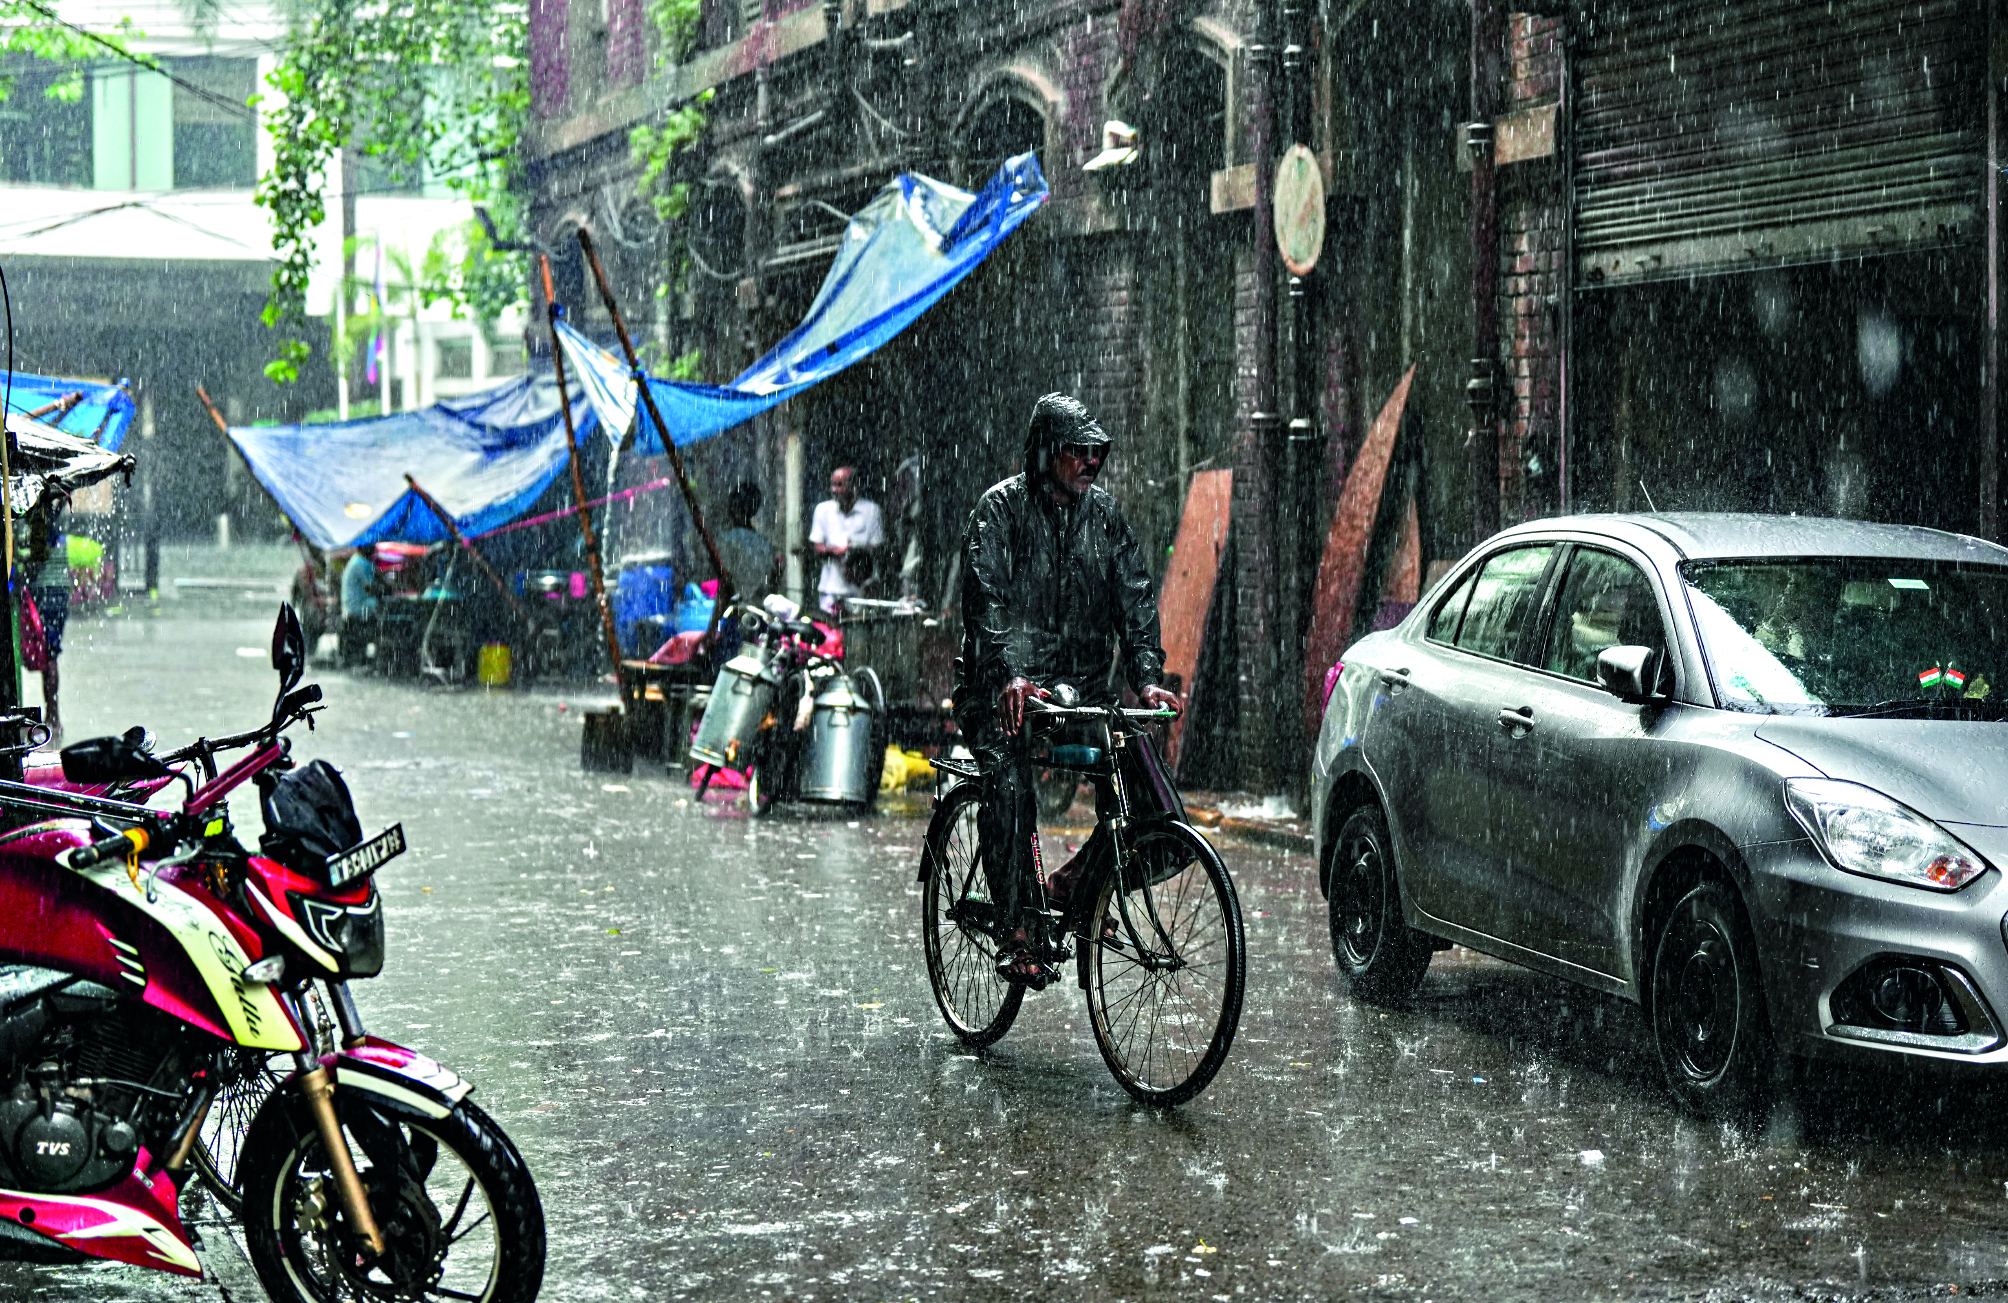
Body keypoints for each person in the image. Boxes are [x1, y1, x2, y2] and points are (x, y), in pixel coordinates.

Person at [952, 393, 1180, 986]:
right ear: (1048, 452)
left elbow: (1136, 603)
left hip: (1078, 698)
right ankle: (1017, 926)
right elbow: (985, 603)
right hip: (997, 693)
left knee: (1156, 806)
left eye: (1095, 452)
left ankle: (1081, 887)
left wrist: (1148, 679)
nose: (1089, 462)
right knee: (1008, 786)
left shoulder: (1106, 518)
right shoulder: (997, 512)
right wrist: (1007, 674)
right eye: (1077, 451)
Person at [17, 506, 68, 741]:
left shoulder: (39, 518)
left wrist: (19, 562)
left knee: (48, 654)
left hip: (46, 592)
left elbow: (38, 558)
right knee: (50, 653)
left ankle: (53, 717)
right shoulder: (51, 520)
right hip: (59, 592)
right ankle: (52, 714)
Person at [808, 466, 884, 612]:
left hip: (861, 592)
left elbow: (877, 548)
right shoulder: (822, 510)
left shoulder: (872, 511)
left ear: (854, 486)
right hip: (831, 591)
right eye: (833, 484)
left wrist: (857, 561)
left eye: (840, 485)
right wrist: (836, 551)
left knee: (859, 632)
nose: (834, 489)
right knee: (832, 633)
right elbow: (817, 546)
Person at [714, 480, 780, 605]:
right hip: (759, 612)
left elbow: (725, 587)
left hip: (738, 612)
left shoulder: (727, 540)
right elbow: (772, 584)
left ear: (732, 507)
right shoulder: (765, 544)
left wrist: (715, 620)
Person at [339, 544, 381, 668]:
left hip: (350, 608)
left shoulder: (356, 561)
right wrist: (388, 588)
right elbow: (371, 587)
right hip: (358, 609)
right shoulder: (362, 563)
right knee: (384, 609)